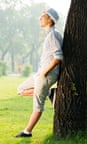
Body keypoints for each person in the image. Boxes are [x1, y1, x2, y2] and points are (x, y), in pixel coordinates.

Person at [15, 8, 63, 138]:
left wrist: (44, 73)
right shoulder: (50, 34)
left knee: (38, 105)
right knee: (21, 89)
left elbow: (58, 57)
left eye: (43, 16)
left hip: (47, 75)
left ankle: (27, 132)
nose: (39, 18)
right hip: (41, 73)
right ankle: (49, 92)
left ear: (50, 19)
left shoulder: (53, 35)